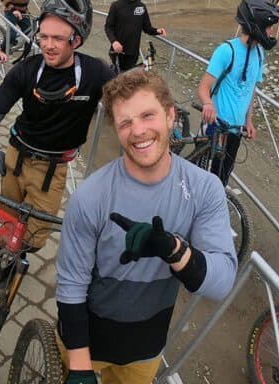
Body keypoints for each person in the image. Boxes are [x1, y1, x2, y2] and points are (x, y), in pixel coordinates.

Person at [56, 70, 237, 384]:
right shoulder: (90, 197)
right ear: (116, 130)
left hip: (147, 348)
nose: (138, 131)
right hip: (87, 342)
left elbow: (221, 283)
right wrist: (80, 366)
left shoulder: (204, 189)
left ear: (170, 117)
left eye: (147, 115)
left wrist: (174, 250)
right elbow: (71, 285)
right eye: (125, 123)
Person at [0, 0, 112, 250]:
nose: (48, 46)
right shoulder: (26, 69)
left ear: (77, 40)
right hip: (16, 157)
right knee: (8, 223)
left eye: (58, 39)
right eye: (44, 36)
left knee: (34, 239)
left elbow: (127, 101)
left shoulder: (95, 73)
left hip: (53, 169)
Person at [196, 0, 279, 185]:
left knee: (222, 178)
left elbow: (251, 88)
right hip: (215, 124)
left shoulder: (258, 53)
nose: (271, 32)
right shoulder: (226, 50)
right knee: (202, 176)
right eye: (269, 27)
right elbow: (203, 87)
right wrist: (207, 104)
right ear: (256, 26)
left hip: (236, 129)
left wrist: (249, 120)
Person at [104, 0, 166, 73]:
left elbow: (147, 28)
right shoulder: (116, 6)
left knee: (129, 80)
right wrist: (114, 41)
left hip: (133, 52)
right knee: (116, 77)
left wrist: (157, 31)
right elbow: (108, 27)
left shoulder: (141, 7)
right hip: (117, 51)